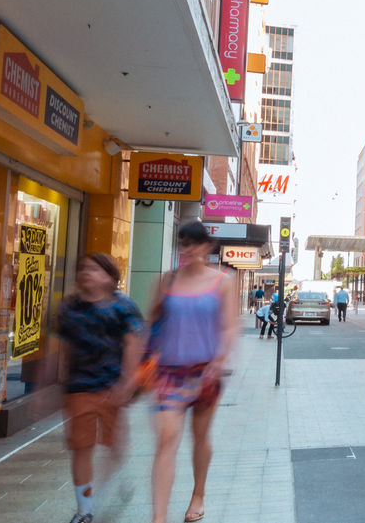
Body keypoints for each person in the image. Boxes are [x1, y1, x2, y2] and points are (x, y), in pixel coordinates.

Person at [147, 221, 238, 523]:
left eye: (194, 243)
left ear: (206, 247)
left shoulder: (223, 280)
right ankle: (159, 517)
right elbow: (151, 325)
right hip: (169, 373)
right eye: (183, 244)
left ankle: (198, 494)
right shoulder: (167, 281)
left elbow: (228, 327)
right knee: (166, 439)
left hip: (204, 373)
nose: (188, 250)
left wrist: (219, 360)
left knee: (200, 438)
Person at [56, 253, 144, 523]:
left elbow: (133, 344)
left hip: (112, 386)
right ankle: (85, 510)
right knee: (82, 447)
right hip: (79, 387)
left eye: (93, 269)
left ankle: (110, 484)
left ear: (110, 277)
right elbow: (63, 347)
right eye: (82, 268)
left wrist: (127, 383)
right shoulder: (69, 307)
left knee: (114, 445)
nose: (86, 273)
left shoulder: (124, 306)